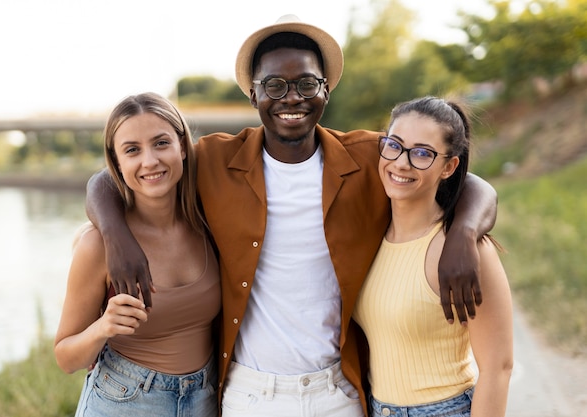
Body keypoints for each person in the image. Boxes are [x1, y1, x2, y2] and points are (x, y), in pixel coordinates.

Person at [85, 16, 498, 416]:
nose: (291, 97)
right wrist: (116, 236)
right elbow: (106, 180)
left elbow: (470, 183)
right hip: (250, 394)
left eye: (306, 83)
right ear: (253, 95)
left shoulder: (366, 157)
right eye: (275, 85)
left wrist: (461, 234)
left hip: (338, 390)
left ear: (325, 91)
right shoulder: (214, 160)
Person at [54, 92, 221, 417]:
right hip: (125, 400)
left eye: (161, 143)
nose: (150, 161)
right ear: (116, 162)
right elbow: (65, 357)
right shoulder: (98, 246)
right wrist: (103, 326)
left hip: (204, 398)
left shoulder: (208, 221)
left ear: (182, 146)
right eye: (132, 150)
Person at [354, 96, 513, 417]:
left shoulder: (464, 250)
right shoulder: (371, 235)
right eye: (394, 145)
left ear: (449, 167)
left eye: (423, 153)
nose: (401, 163)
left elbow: (499, 368)